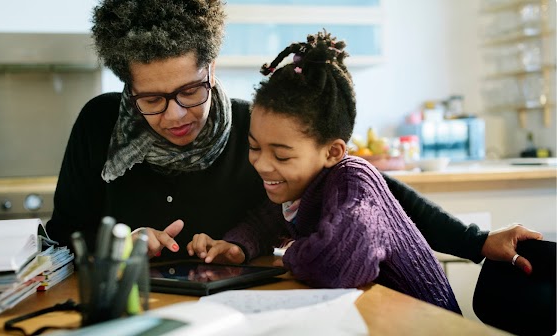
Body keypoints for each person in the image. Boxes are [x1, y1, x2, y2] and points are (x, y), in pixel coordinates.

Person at [46, 0, 542, 275]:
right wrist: (118, 243)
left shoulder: (257, 132)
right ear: (126, 87)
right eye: (151, 99)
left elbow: (369, 188)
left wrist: (476, 242)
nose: (176, 114)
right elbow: (65, 234)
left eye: (190, 90)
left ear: (211, 67)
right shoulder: (99, 124)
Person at [187, 31, 464, 312]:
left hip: (427, 322)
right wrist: (237, 246)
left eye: (281, 155)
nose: (262, 164)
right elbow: (266, 221)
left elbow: (340, 264)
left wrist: (290, 252)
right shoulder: (302, 187)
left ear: (332, 152)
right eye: (254, 148)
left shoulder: (353, 181)